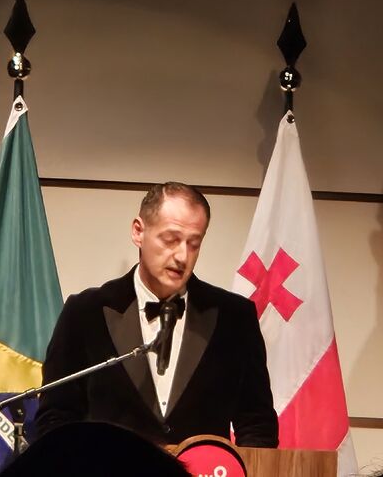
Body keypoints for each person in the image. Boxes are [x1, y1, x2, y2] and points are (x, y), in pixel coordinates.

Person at [33, 182, 278, 447]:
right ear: (138, 231)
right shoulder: (85, 312)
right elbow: (56, 418)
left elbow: (257, 425)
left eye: (194, 244)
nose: (182, 256)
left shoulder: (235, 318)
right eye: (171, 239)